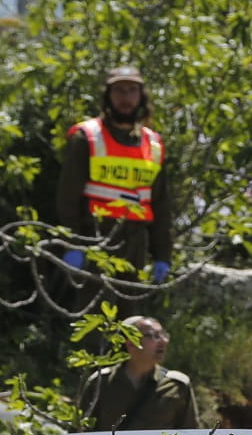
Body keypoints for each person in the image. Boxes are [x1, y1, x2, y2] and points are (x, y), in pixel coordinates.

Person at [55, 66, 173, 286]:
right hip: (94, 240)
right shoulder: (88, 138)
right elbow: (67, 199)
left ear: (141, 95)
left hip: (135, 245)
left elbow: (161, 204)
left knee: (131, 316)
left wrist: (163, 255)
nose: (126, 98)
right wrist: (73, 245)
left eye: (132, 90)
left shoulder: (153, 144)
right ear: (108, 96)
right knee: (93, 315)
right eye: (119, 90)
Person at [76, 315, 198, 431]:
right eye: (153, 336)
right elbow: (79, 432)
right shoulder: (100, 382)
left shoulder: (177, 385)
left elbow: (190, 434)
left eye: (163, 335)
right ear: (130, 343)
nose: (164, 341)